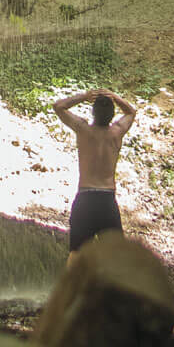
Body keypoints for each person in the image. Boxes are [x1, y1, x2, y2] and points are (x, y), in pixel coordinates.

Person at [52, 88, 136, 253]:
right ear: (112, 115)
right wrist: (116, 97)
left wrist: (84, 96)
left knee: (77, 255)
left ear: (93, 112)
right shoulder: (116, 133)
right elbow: (131, 112)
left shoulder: (83, 130)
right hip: (107, 201)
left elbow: (58, 107)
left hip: (85, 199)